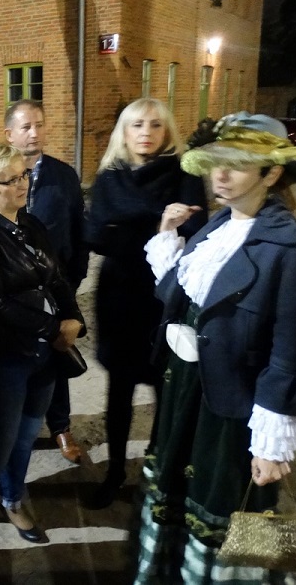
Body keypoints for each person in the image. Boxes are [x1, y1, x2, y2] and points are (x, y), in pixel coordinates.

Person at [134, 113, 296, 584]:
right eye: (217, 161)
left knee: (237, 504)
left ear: (271, 173)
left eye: (237, 164)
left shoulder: (292, 251)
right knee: (178, 492)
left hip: (233, 407)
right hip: (185, 392)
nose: (220, 174)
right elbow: (183, 295)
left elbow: (290, 354)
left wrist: (272, 445)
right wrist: (167, 236)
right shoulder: (215, 227)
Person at [0, 143, 85, 582]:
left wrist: (73, 316)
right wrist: (53, 329)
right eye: (10, 179)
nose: (23, 183)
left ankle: (12, 499)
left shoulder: (29, 222)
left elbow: (56, 277)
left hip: (38, 354)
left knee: (26, 438)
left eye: (23, 174)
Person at [83, 98, 208, 509]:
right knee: (118, 389)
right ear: (124, 130)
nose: (146, 132)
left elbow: (196, 229)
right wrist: (159, 224)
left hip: (164, 295)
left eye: (155, 124)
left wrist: (127, 224)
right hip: (119, 295)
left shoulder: (184, 172)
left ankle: (160, 469)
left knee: (164, 387)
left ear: (166, 130)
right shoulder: (110, 175)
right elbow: (96, 236)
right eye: (137, 124)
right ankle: (115, 470)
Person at [4, 99, 88, 464]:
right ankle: (11, 427)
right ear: (9, 133)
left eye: (39, 124)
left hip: (56, 286)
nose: (34, 132)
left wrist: (73, 278)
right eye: (26, 126)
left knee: (57, 352)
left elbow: (78, 232)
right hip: (11, 291)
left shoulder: (63, 176)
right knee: (13, 359)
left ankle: (60, 425)